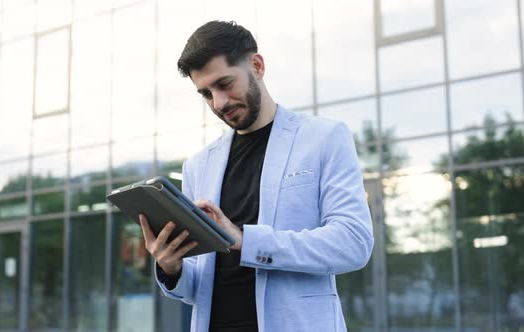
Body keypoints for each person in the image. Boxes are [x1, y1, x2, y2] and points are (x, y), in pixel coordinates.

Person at [138, 20, 374, 332]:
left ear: (257, 65)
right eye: (206, 94)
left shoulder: (324, 138)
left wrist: (244, 240)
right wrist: (172, 268)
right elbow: (196, 289)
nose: (219, 103)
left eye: (224, 84)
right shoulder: (197, 166)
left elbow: (353, 243)